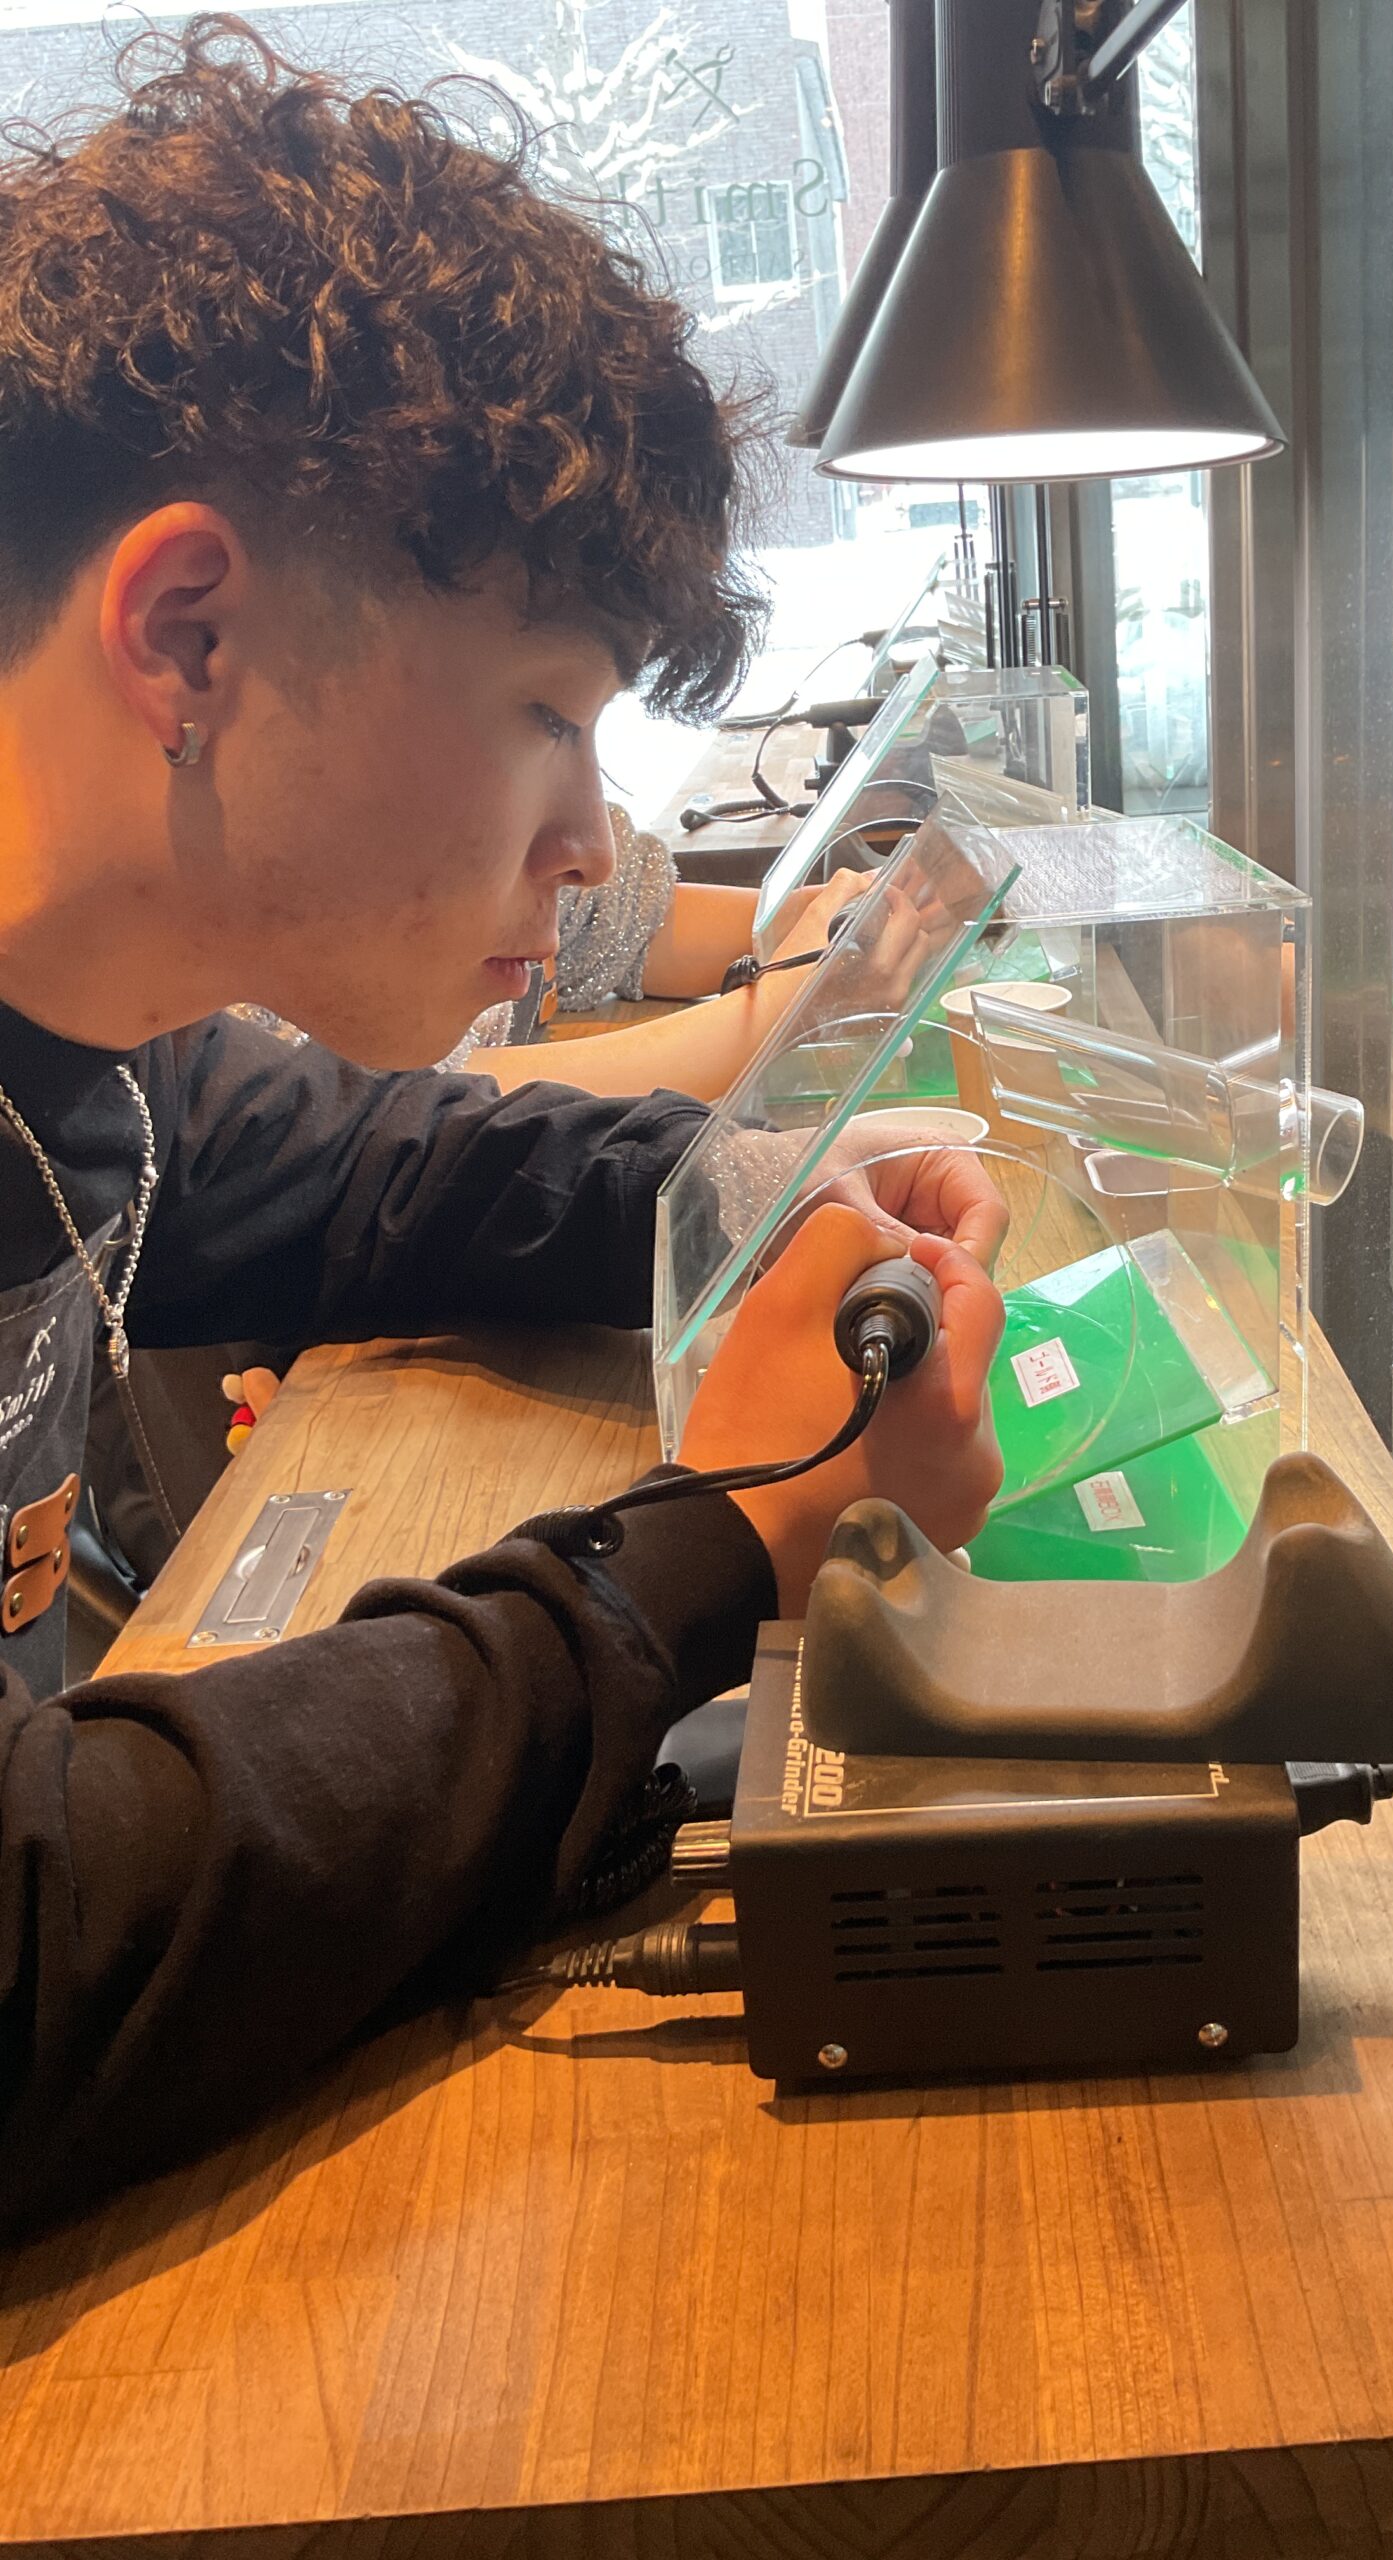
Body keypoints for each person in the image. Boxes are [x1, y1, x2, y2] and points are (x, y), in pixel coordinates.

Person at [0, 22, 1004, 2237]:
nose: (591, 844)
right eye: (547, 711)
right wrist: (718, 1545)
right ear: (188, 635)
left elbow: (377, 1169)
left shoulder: (98, 1044)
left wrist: (768, 1206)